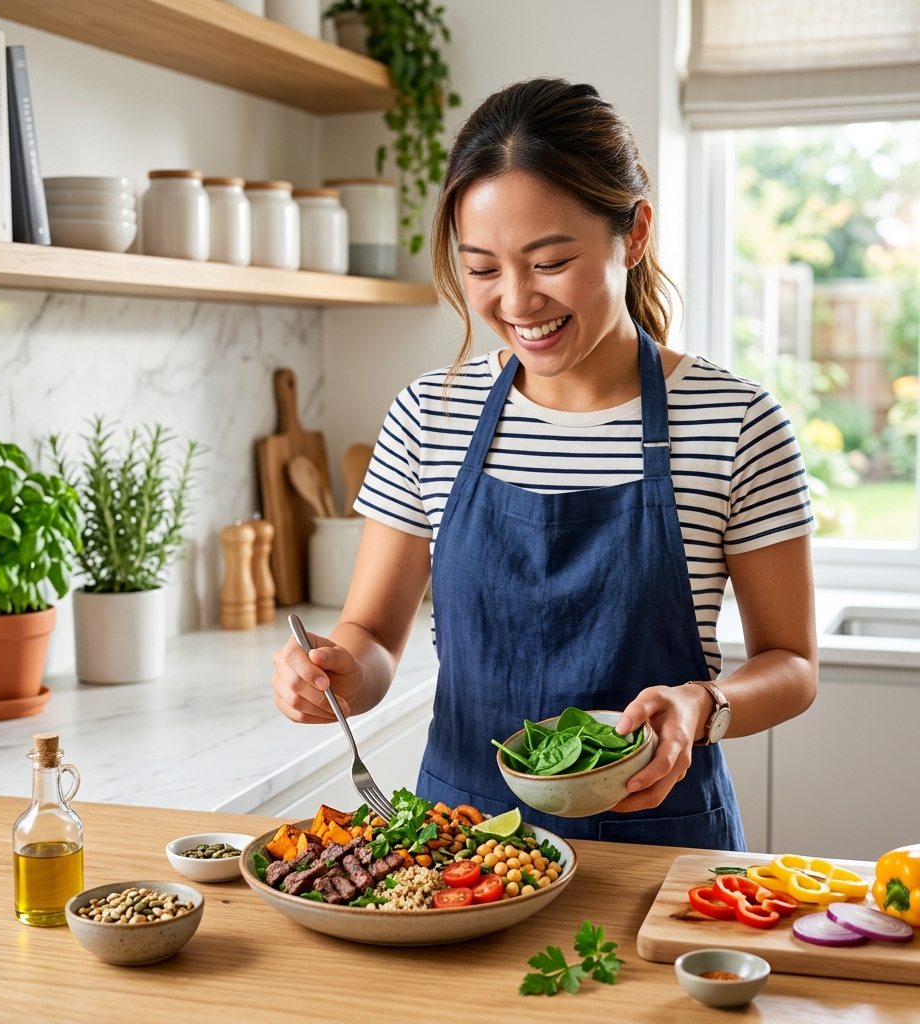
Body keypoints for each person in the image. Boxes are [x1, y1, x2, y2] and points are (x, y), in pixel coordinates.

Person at [270, 78, 818, 850]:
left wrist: (703, 706)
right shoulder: (432, 414)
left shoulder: (734, 422)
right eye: (483, 268)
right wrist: (336, 675)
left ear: (633, 236)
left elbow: (791, 663)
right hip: (460, 854)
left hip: (660, 850)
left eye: (550, 261)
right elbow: (372, 635)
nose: (518, 301)